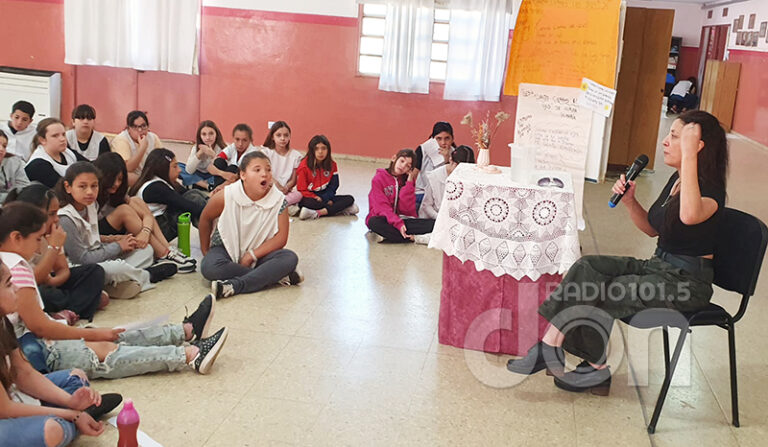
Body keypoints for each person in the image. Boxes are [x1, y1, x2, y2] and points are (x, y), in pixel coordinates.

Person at [506, 111, 729, 395]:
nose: (665, 142)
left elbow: (688, 215)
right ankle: (568, 355)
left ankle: (564, 356)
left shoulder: (711, 190)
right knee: (589, 269)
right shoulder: (676, 180)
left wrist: (688, 158)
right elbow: (652, 228)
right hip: (658, 267)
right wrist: (630, 201)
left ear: (698, 145)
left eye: (675, 136)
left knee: (608, 289)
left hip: (686, 285)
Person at [0, 202, 229, 380]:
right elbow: (39, 327)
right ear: (16, 237)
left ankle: (184, 332)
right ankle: (189, 355)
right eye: (38, 238)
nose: (40, 243)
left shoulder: (11, 262)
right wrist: (93, 335)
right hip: (31, 350)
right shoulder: (15, 267)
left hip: (33, 342)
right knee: (105, 350)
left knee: (113, 335)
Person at [0, 257, 116, 447]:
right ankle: (71, 421)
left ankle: (69, 417)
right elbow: (4, 409)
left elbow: (24, 373)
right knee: (52, 431)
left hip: (11, 396)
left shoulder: (3, 322)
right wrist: (72, 414)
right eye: (8, 284)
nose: (16, 289)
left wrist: (71, 401)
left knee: (76, 378)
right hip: (5, 411)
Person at [56, 163, 177, 300]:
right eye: (82, 186)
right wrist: (117, 247)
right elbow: (82, 259)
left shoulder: (91, 205)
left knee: (146, 250)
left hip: (98, 255)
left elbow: (92, 240)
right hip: (82, 269)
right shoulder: (65, 218)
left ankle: (112, 283)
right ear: (68, 187)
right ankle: (147, 275)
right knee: (114, 268)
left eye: (94, 186)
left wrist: (114, 240)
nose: (89, 191)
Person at [200, 152, 302, 299]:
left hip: (260, 254)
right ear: (243, 175)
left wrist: (251, 255)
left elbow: (281, 238)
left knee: (289, 258)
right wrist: (205, 250)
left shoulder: (279, 200)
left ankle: (234, 286)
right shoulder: (227, 195)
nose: (265, 174)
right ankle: (273, 277)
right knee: (209, 267)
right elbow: (205, 218)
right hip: (225, 250)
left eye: (268, 170)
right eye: (257, 170)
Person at [3, 183, 108, 323]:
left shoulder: (52, 232)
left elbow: (63, 270)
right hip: (27, 288)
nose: (57, 219)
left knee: (94, 272)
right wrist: (54, 246)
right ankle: (79, 304)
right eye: (51, 214)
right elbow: (31, 280)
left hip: (48, 282)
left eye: (57, 213)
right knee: (45, 294)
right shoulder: (20, 237)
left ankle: (69, 311)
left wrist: (52, 281)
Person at [93, 153, 196, 272]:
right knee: (125, 210)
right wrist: (114, 239)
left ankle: (167, 250)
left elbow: (147, 215)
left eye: (120, 179)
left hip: (134, 231)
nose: (116, 183)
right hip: (102, 237)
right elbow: (85, 235)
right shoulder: (91, 194)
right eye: (112, 179)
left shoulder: (119, 194)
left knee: (135, 201)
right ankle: (163, 254)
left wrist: (145, 232)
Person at [129, 149, 208, 242]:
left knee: (193, 193)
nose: (179, 170)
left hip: (160, 225)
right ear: (162, 168)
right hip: (156, 230)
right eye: (175, 166)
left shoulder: (159, 182)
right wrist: (211, 211)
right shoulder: (156, 187)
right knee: (194, 200)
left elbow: (185, 193)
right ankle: (213, 235)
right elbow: (188, 205)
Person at [366, 149, 434, 243]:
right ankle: (410, 238)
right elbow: (382, 207)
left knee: (433, 224)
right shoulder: (378, 179)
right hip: (383, 219)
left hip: (399, 219)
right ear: (394, 158)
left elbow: (406, 210)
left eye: (407, 166)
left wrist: (409, 183)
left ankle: (389, 236)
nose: (403, 166)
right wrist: (398, 224)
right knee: (373, 222)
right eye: (402, 161)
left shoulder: (406, 181)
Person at [295, 135, 358, 220]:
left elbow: (334, 185)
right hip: (311, 197)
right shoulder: (304, 166)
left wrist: (325, 198)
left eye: (324, 148)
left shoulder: (332, 165)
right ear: (311, 151)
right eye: (316, 149)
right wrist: (316, 197)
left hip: (325, 195)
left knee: (350, 199)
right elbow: (301, 189)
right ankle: (341, 209)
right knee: (307, 203)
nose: (320, 152)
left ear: (328, 150)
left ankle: (317, 213)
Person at [24, 118, 88, 189]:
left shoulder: (68, 152)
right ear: (42, 140)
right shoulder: (38, 164)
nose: (62, 139)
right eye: (55, 136)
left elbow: (91, 167)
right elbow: (63, 189)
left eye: (63, 134)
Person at [418, 145, 475, 220]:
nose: (462, 173)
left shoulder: (468, 176)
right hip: (434, 219)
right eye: (459, 168)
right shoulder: (435, 176)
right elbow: (426, 206)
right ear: (451, 160)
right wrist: (440, 219)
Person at [110, 111, 163, 186]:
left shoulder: (153, 137)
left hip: (151, 175)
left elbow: (162, 160)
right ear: (128, 129)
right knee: (126, 176)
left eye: (143, 126)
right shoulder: (121, 140)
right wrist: (142, 148)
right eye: (135, 127)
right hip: (135, 178)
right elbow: (127, 168)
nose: (140, 130)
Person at [261, 121, 303, 212]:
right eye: (279, 135)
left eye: (286, 135)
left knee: (299, 195)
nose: (283, 138)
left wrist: (286, 188)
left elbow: (293, 179)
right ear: (272, 137)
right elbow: (265, 174)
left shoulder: (296, 156)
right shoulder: (266, 152)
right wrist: (277, 185)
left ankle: (277, 205)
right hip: (270, 187)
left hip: (285, 191)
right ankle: (284, 207)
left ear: (289, 137)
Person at [413, 122, 456, 209]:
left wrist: (447, 159)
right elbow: (413, 175)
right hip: (422, 192)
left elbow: (453, 180)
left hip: (443, 194)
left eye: (447, 138)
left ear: (452, 139)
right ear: (433, 138)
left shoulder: (455, 153)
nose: (443, 143)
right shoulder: (423, 149)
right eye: (438, 139)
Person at [180, 120, 227, 191]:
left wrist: (213, 155)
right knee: (179, 167)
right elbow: (189, 171)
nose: (208, 137)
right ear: (200, 136)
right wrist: (199, 154)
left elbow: (222, 169)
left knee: (224, 175)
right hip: (197, 174)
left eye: (211, 134)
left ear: (216, 134)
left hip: (212, 175)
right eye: (204, 134)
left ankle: (195, 183)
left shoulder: (222, 148)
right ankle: (206, 186)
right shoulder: (196, 148)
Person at [211, 123, 260, 188]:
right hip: (227, 180)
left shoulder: (253, 153)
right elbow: (211, 167)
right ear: (233, 138)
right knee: (219, 161)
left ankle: (218, 190)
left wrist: (221, 186)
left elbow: (239, 176)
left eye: (244, 140)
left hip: (242, 183)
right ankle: (217, 190)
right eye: (237, 139)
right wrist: (223, 174)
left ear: (250, 140)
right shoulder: (232, 147)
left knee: (233, 168)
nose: (240, 144)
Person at [0, 129, 30, 202]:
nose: (1, 149)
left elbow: (25, 189)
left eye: (4, 146)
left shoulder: (14, 162)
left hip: (13, 206)